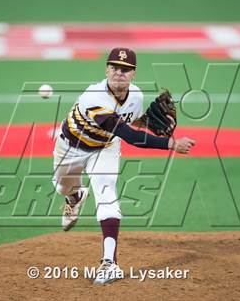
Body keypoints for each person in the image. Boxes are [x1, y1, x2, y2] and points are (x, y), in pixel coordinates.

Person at [52, 47, 195, 285]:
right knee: (62, 188)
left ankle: (110, 263)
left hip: (105, 148)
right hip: (71, 147)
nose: (120, 73)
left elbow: (131, 120)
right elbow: (129, 135)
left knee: (107, 195)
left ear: (133, 74)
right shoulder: (94, 96)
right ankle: (75, 198)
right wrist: (170, 143)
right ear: (107, 69)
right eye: (115, 68)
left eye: (126, 69)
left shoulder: (136, 96)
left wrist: (149, 123)